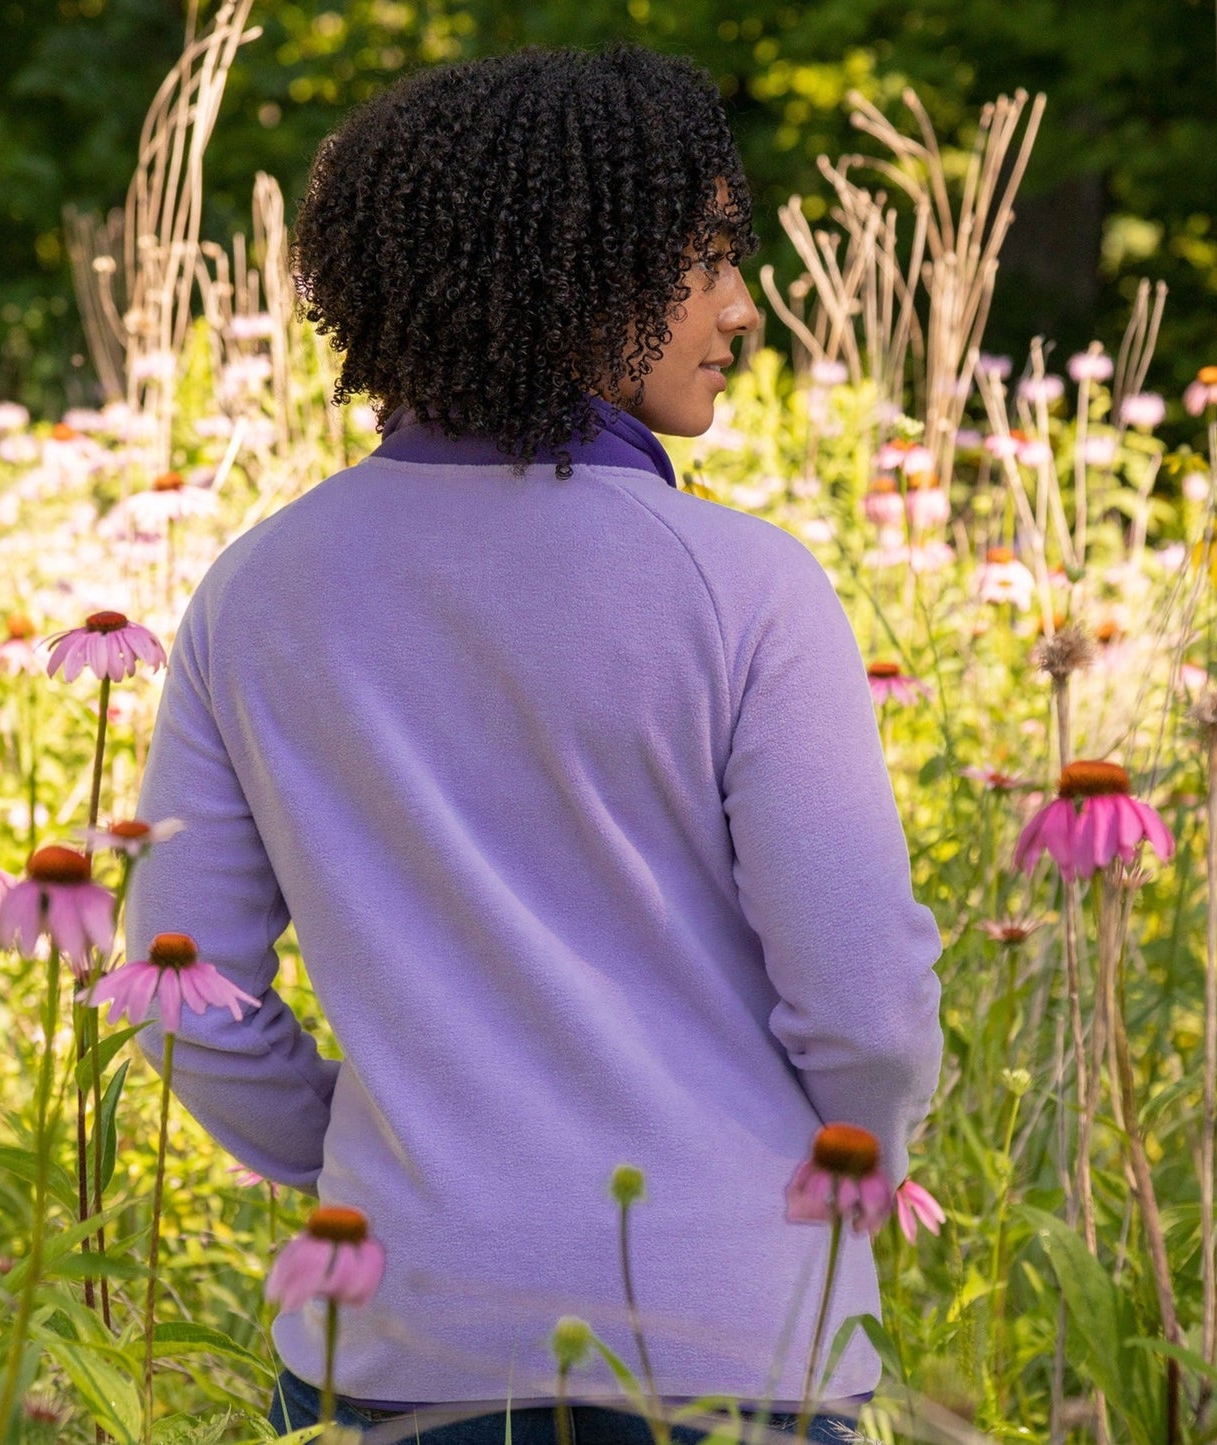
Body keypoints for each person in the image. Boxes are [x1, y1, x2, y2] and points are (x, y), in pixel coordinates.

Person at [126, 41, 944, 1445]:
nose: (740, 307)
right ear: (568, 270)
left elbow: (172, 987)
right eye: (699, 258)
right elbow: (863, 1007)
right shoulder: (743, 584)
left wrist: (359, 1153)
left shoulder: (260, 590)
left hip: (397, 1326)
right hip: (732, 1327)